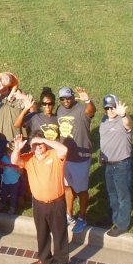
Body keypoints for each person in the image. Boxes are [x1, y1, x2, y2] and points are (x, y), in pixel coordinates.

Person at [10, 131, 69, 264]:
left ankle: (62, 263)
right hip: (38, 204)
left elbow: (64, 150)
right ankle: (44, 258)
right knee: (42, 232)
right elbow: (15, 161)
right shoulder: (29, 158)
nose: (38, 147)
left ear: (45, 143)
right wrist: (17, 149)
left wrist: (43, 139)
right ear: (31, 146)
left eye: (40, 144)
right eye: (34, 145)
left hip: (56, 203)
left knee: (59, 234)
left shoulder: (55, 155)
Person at [55, 86, 95, 234]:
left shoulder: (81, 110)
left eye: (68, 98)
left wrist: (88, 101)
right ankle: (69, 215)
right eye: (62, 99)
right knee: (67, 187)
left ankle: (83, 217)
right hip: (66, 157)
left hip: (80, 159)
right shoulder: (59, 109)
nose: (66, 101)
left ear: (73, 97)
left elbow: (91, 111)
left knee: (82, 189)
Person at [99, 95, 133, 237]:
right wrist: (102, 154)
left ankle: (122, 225)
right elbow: (104, 139)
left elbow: (129, 124)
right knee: (112, 193)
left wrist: (124, 115)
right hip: (108, 165)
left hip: (121, 165)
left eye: (112, 107)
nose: (110, 110)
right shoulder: (104, 121)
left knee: (122, 196)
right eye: (107, 108)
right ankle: (112, 218)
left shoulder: (122, 121)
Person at [0, 72, 27, 144]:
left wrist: (24, 97)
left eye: (4, 85)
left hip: (19, 138)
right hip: (1, 139)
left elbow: (33, 109)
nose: (3, 87)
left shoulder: (18, 93)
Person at [0, 144, 24, 214]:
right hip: (5, 179)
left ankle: (12, 207)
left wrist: (17, 167)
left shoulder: (18, 160)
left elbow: (21, 172)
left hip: (14, 180)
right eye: (9, 152)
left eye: (12, 152)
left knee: (13, 194)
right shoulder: (4, 158)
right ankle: (2, 203)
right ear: (6, 153)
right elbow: (2, 166)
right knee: (3, 192)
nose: (11, 154)